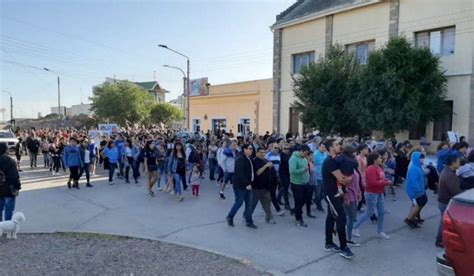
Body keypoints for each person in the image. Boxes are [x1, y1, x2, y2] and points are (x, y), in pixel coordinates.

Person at [322, 139, 354, 259]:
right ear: (330, 148)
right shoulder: (330, 161)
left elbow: (341, 180)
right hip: (331, 195)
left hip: (336, 193)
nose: (338, 146)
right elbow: (342, 179)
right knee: (341, 218)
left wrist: (344, 190)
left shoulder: (334, 160)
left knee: (331, 217)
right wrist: (351, 178)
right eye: (336, 144)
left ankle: (329, 243)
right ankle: (343, 248)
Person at [352, 152, 392, 239]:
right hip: (371, 193)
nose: (381, 159)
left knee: (381, 212)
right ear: (375, 159)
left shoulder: (379, 168)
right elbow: (372, 182)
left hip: (379, 192)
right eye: (380, 158)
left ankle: (380, 231)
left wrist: (385, 180)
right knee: (369, 212)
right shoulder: (370, 169)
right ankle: (355, 227)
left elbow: (380, 178)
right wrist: (386, 182)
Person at [226, 144, 256, 229]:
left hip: (249, 185)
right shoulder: (240, 160)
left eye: (252, 149)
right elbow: (240, 174)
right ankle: (230, 216)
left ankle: (249, 221)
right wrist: (247, 184)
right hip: (240, 186)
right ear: (244, 150)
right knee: (239, 202)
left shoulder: (249, 159)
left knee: (249, 204)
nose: (251, 150)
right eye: (250, 149)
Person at [436, 155, 462, 248]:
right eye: (458, 160)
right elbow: (456, 191)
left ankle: (441, 239)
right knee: (444, 222)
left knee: (444, 221)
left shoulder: (448, 171)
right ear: (453, 162)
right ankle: (439, 240)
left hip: (443, 201)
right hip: (445, 202)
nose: (459, 163)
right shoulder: (449, 174)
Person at [251, 147, 276, 224]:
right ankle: (247, 215)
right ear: (257, 153)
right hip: (256, 188)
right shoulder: (254, 161)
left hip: (266, 187)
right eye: (261, 152)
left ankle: (269, 217)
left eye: (264, 152)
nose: (262, 154)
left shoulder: (266, 160)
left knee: (267, 204)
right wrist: (265, 166)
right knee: (252, 205)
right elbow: (257, 173)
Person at [404, 152, 427, 229]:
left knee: (418, 204)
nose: (423, 159)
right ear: (417, 159)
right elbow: (414, 182)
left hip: (419, 191)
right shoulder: (414, 168)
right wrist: (418, 191)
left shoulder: (418, 166)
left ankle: (412, 218)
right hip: (414, 192)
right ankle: (409, 219)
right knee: (417, 205)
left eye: (423, 158)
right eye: (421, 158)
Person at [289, 144, 311, 227]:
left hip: (305, 182)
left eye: (307, 154)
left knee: (306, 199)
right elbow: (292, 171)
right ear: (301, 151)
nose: (306, 155)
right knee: (298, 202)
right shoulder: (293, 159)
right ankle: (298, 218)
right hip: (296, 183)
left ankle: (295, 210)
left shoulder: (304, 158)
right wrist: (303, 170)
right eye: (305, 153)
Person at [0, 143, 21, 221]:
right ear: (6, 150)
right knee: (8, 210)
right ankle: (7, 228)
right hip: (8, 189)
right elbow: (14, 176)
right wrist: (17, 187)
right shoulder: (10, 161)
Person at [277, 144, 292, 211]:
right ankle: (287, 204)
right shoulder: (280, 155)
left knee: (285, 187)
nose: (286, 150)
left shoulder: (290, 154)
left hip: (288, 173)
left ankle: (278, 198)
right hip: (282, 173)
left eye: (288, 149)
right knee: (285, 188)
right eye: (285, 149)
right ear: (282, 149)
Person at [313, 142, 327, 212]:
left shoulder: (325, 154)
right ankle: (319, 206)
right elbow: (313, 164)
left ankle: (316, 200)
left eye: (324, 147)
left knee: (324, 193)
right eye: (322, 147)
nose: (323, 148)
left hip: (324, 176)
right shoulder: (315, 154)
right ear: (318, 147)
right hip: (317, 176)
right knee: (318, 193)